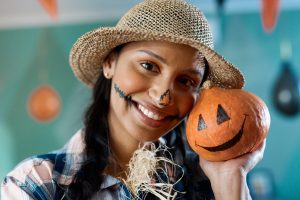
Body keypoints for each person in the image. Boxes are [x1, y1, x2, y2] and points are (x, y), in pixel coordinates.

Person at [1, 0, 266, 199]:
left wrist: (229, 177)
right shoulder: (36, 183)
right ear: (109, 63)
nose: (163, 96)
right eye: (149, 66)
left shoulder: (209, 183)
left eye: (185, 81)